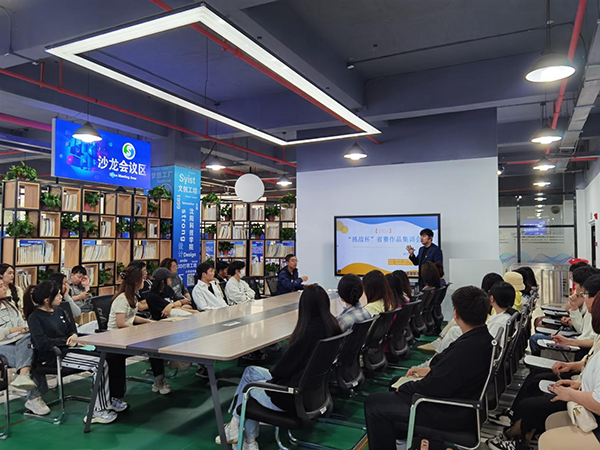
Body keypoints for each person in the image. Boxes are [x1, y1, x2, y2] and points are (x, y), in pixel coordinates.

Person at [214, 285, 343, 450]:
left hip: (292, 397)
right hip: (314, 394)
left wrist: (270, 380)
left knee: (249, 389)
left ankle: (247, 439)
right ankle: (235, 428)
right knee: (250, 372)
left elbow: (282, 370)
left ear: (304, 306)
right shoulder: (333, 328)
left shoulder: (307, 334)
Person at [364, 286, 493, 450]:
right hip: (460, 403)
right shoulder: (482, 338)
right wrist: (429, 370)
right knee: (396, 381)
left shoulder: (467, 349)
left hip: (450, 411)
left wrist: (407, 388)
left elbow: (435, 386)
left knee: (373, 404)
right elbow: (447, 370)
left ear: (455, 314)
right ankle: (403, 441)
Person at [488, 274, 600, 450]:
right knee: (535, 379)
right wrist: (574, 376)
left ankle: (517, 436)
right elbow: (589, 360)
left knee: (532, 404)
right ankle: (516, 426)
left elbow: (597, 401)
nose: (581, 296)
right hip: (581, 385)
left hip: (586, 406)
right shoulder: (594, 326)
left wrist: (571, 392)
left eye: (584, 294)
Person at [24, 280, 125, 423]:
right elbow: (41, 343)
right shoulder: (35, 317)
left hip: (71, 349)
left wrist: (74, 336)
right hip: (56, 356)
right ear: (47, 300)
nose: (61, 297)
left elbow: (72, 329)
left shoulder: (60, 311)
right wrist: (66, 341)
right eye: (58, 295)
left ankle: (110, 399)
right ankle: (98, 411)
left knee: (110, 356)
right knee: (99, 364)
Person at [107, 267, 167, 395]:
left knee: (155, 345)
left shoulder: (132, 297)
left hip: (128, 334)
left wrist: (148, 322)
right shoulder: (122, 299)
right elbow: (120, 323)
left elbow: (131, 317)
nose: (144, 281)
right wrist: (139, 330)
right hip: (116, 337)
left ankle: (159, 380)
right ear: (136, 282)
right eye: (142, 279)